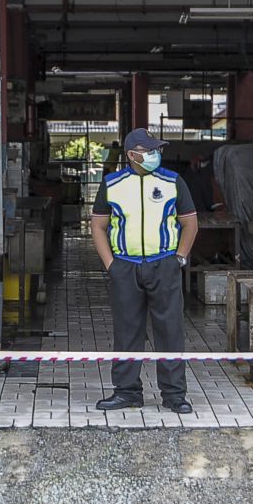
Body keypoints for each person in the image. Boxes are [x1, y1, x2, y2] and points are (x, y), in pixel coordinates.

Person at [90, 128, 199, 413]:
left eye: (156, 150)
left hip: (164, 264)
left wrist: (180, 258)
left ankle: (174, 394)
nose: (155, 155)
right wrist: (111, 265)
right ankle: (127, 392)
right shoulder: (112, 184)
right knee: (127, 331)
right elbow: (98, 226)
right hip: (125, 266)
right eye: (149, 150)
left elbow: (190, 223)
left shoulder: (173, 181)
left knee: (170, 330)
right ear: (131, 155)